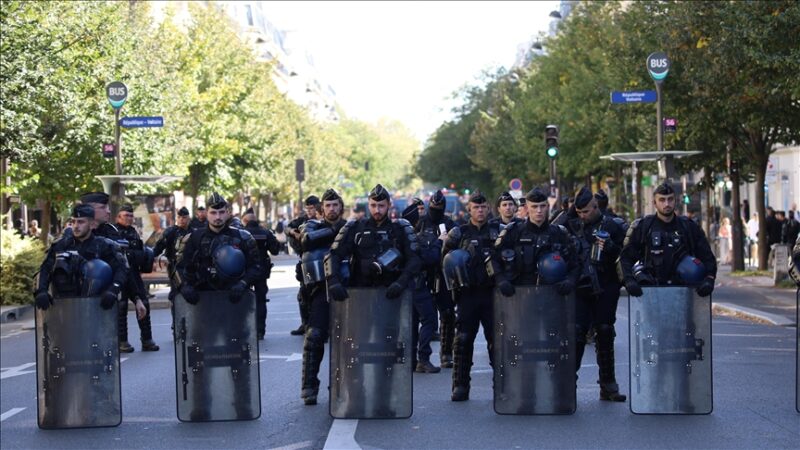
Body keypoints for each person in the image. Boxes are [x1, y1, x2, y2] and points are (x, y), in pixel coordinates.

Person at [323, 184, 422, 414]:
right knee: (356, 349)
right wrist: (334, 281)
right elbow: (333, 255)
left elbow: (415, 260)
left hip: (391, 296)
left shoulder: (400, 229)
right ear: (368, 205)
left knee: (388, 350)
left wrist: (401, 282)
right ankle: (356, 397)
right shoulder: (355, 227)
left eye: (381, 205)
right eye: (374, 205)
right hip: (360, 298)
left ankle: (385, 398)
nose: (377, 209)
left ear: (389, 206)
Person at [174, 192, 262, 421]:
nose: (217, 216)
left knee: (239, 356)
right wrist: (185, 287)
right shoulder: (192, 239)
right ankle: (200, 406)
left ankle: (243, 404)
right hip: (203, 305)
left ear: (229, 212)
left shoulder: (242, 237)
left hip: (235, 304)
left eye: (222, 212)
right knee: (199, 357)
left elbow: (258, 267)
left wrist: (243, 284)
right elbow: (178, 267)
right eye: (213, 212)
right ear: (206, 213)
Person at [559, 187, 627, 402]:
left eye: (586, 211)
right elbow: (554, 229)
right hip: (581, 285)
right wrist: (572, 210)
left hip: (606, 284)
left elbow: (628, 253)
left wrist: (611, 247)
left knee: (605, 331)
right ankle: (569, 385)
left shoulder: (613, 225)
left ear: (597, 207)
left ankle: (608, 384)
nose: (583, 216)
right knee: (577, 333)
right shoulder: (572, 223)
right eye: (579, 212)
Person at [441, 191, 502, 401]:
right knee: (463, 340)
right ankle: (460, 385)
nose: (480, 211)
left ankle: (502, 385)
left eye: (484, 207)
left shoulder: (499, 231)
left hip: (492, 294)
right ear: (469, 210)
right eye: (476, 207)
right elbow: (446, 261)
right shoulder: (459, 233)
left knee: (497, 341)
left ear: (489, 208)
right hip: (467, 294)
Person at [79, 192, 150, 352]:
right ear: (89, 209)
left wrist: (137, 297)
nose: (108, 211)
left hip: (106, 300)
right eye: (103, 207)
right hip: (81, 305)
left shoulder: (111, 232)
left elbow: (124, 267)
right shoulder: (72, 235)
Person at [617, 183, 717, 297]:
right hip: (651, 293)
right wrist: (629, 280)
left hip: (684, 294)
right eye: (662, 200)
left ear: (675, 201)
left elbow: (707, 257)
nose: (667, 204)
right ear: (655, 203)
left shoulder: (689, 227)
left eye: (670, 199)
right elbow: (626, 257)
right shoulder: (644, 227)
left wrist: (709, 278)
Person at [34, 204, 132, 315]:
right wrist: (41, 291)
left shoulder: (104, 246)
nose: (75, 226)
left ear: (92, 224)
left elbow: (122, 269)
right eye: (73, 222)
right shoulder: (61, 245)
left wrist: (113, 290)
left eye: (81, 222)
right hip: (65, 308)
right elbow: (46, 268)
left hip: (96, 309)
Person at [298, 189, 348, 405]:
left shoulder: (353, 228)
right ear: (321, 208)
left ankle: (345, 384)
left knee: (350, 340)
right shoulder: (313, 226)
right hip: (321, 291)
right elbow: (306, 239)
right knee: (315, 336)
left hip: (348, 291)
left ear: (341, 207)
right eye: (327, 205)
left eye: (335, 205)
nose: (332, 209)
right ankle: (309, 386)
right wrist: (337, 231)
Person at [416, 191, 457, 368]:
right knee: (427, 317)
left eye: (438, 208)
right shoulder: (421, 222)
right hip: (426, 274)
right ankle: (421, 357)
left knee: (447, 314)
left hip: (444, 274)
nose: (435, 211)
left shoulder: (449, 223)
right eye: (433, 207)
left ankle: (446, 352)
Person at [401, 201, 441, 374]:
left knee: (412, 323)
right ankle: (423, 359)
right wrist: (439, 242)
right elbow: (431, 258)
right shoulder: (414, 238)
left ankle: (410, 360)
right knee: (430, 321)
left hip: (405, 286)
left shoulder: (399, 235)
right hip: (417, 285)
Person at [113, 204, 159, 352]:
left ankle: (147, 339)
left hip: (133, 273)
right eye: (125, 215)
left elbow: (139, 253)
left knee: (143, 303)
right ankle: (122, 341)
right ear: (118, 217)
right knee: (121, 307)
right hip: (119, 273)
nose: (129, 218)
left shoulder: (133, 232)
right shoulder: (114, 232)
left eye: (131, 216)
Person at [242, 207, 281, 340]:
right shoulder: (265, 232)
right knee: (261, 301)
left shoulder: (241, 233)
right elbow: (275, 250)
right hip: (261, 271)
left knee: (243, 300)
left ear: (245, 220)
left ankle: (245, 329)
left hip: (244, 271)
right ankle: (260, 331)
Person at [287, 196, 321, 336]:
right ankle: (305, 324)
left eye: (312, 208)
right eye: (307, 208)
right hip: (306, 263)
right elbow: (288, 228)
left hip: (323, 261)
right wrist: (294, 233)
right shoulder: (302, 221)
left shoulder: (323, 219)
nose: (309, 211)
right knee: (304, 294)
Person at [152, 206, 192, 303]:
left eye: (184, 217)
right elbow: (158, 247)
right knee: (176, 294)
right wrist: (151, 257)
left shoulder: (193, 232)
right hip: (175, 268)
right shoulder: (171, 232)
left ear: (188, 218)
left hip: (190, 268)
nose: (181, 220)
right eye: (179, 217)